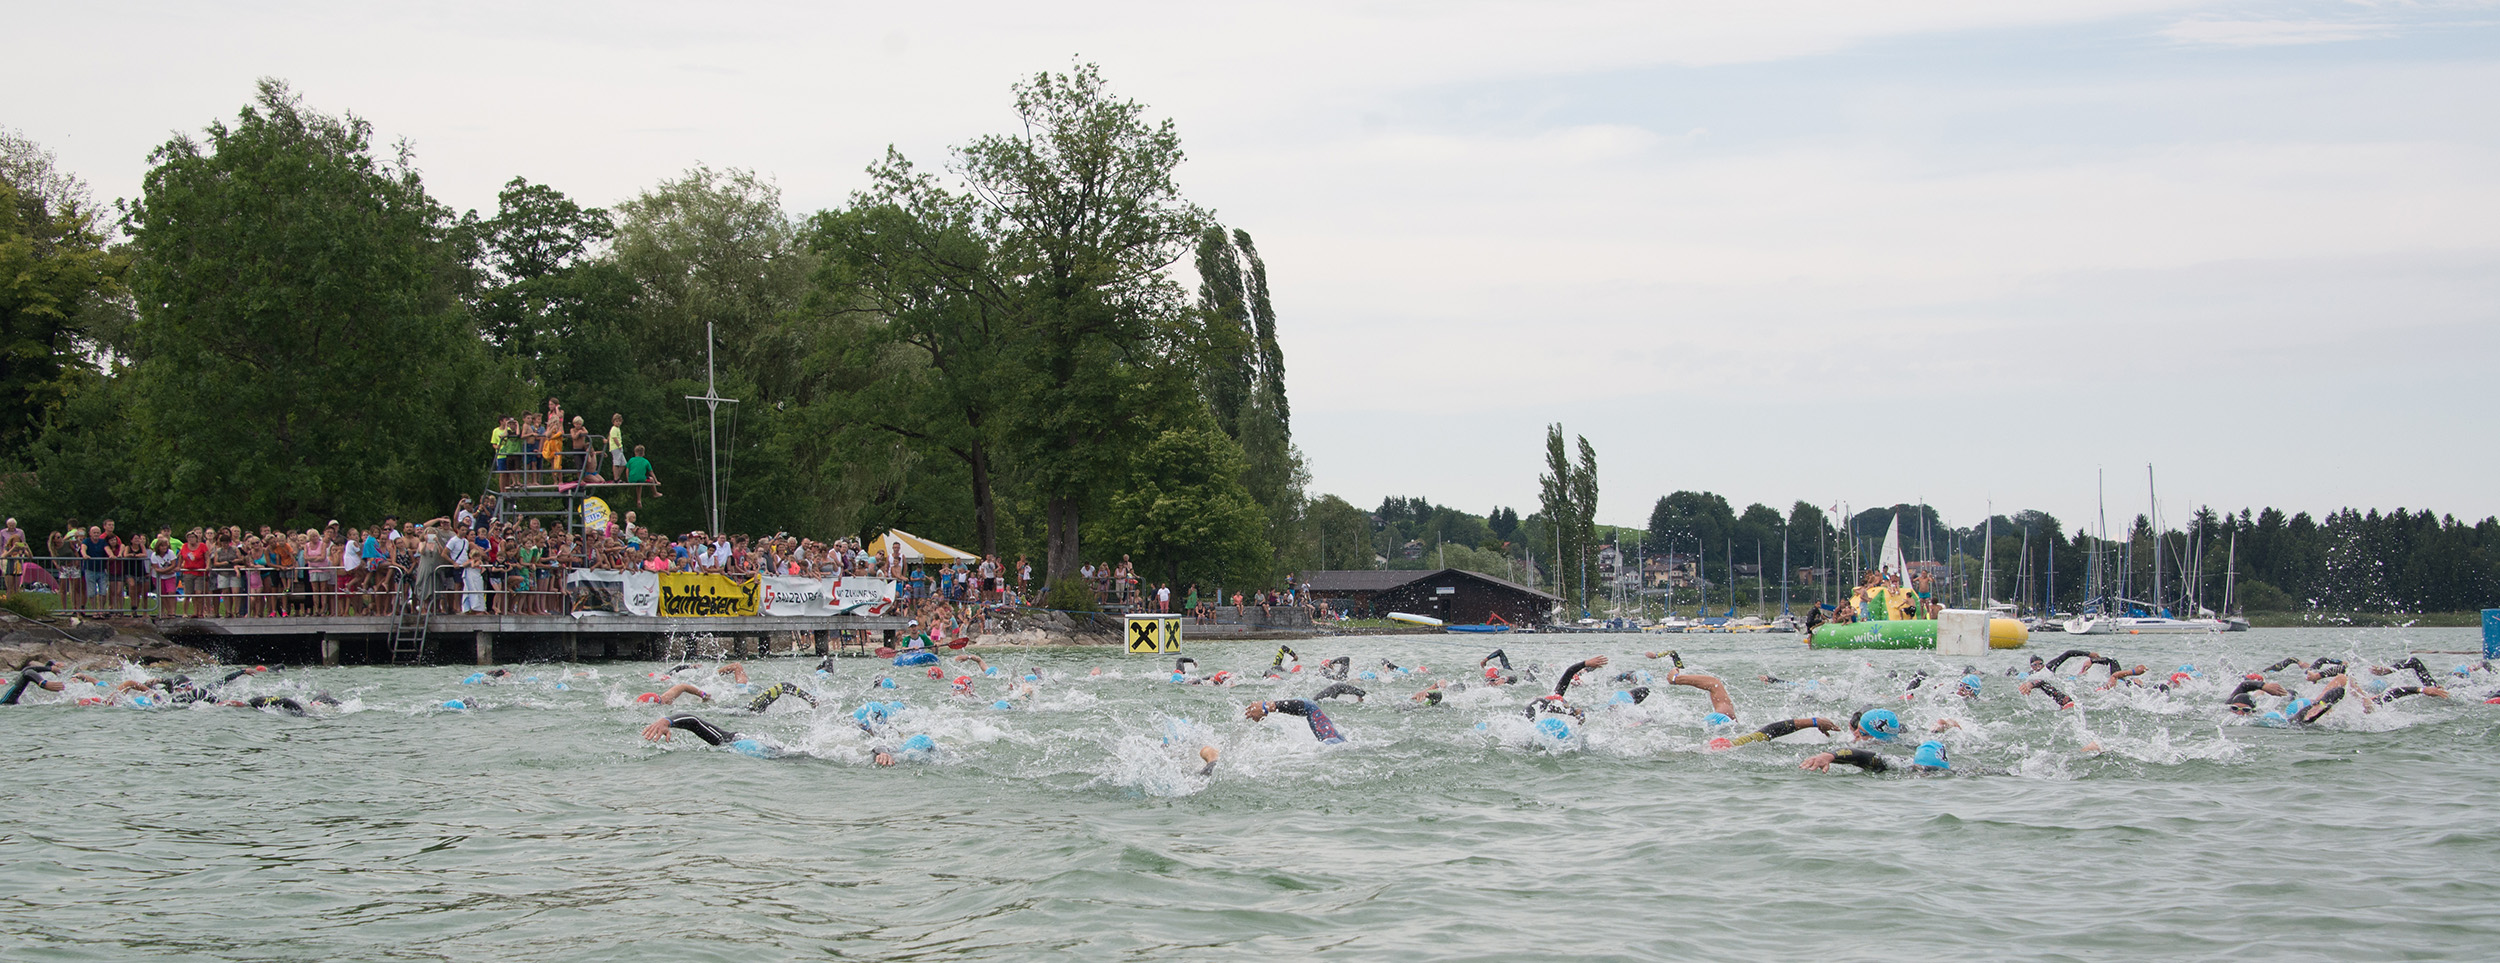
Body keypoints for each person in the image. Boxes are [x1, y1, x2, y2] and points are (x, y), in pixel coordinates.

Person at [641, 713, 791, 758]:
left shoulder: (727, 743)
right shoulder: (730, 742)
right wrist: (667, 721)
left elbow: (694, 722)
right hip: (742, 743)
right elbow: (694, 722)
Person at [1244, 698, 1346, 743]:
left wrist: (1269, 706)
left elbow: (1310, 707)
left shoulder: (1332, 742)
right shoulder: (1338, 741)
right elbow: (1311, 707)